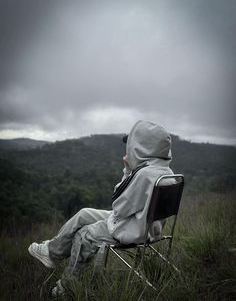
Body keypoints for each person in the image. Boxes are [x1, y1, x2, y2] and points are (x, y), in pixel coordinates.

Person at [28, 120, 174, 296]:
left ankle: (66, 287)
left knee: (84, 235)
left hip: (133, 229)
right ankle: (51, 252)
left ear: (143, 147)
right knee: (84, 214)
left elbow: (119, 205)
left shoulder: (144, 174)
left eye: (132, 144)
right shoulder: (165, 171)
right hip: (145, 226)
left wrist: (127, 169)